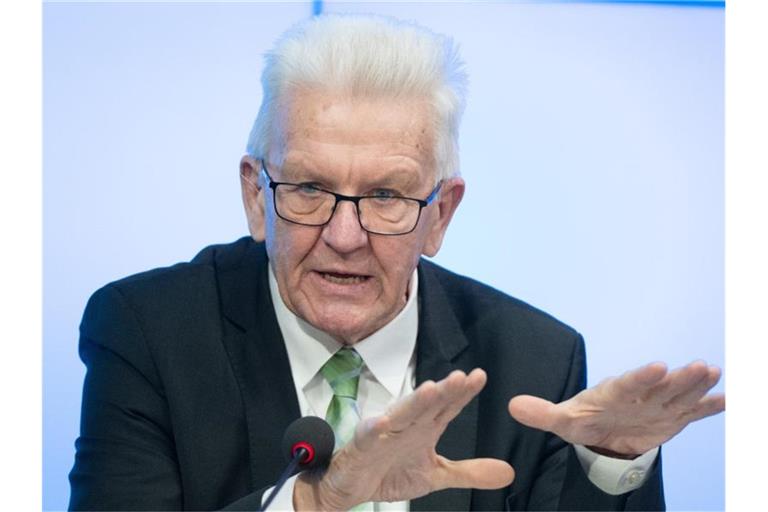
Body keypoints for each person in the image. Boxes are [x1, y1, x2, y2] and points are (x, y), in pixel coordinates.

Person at [68, 14, 724, 511]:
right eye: (309, 189)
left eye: (385, 195)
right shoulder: (148, 332)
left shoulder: (535, 360)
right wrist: (313, 504)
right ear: (255, 196)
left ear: (440, 214)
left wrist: (612, 460)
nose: (344, 235)